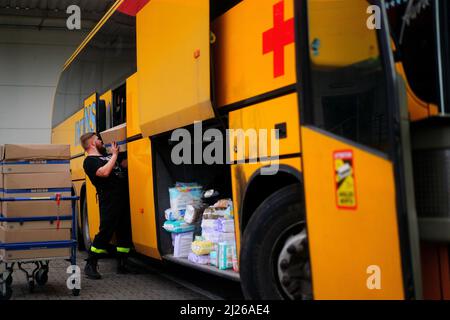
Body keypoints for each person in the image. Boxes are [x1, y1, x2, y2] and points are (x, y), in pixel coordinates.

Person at [79, 132, 133, 279]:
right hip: (109, 200)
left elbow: (120, 166)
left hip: (121, 198)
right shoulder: (89, 161)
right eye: (98, 140)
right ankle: (91, 263)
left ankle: (122, 263)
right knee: (106, 231)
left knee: (124, 230)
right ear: (91, 144)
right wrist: (114, 155)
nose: (101, 142)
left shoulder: (106, 156)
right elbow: (104, 172)